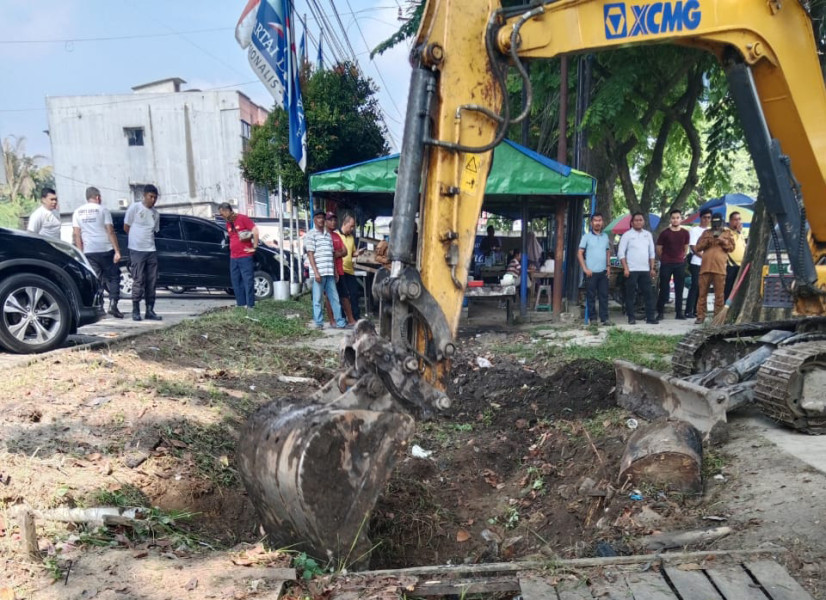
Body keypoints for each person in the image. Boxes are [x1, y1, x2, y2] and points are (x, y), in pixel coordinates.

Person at [72, 186, 124, 319]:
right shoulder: (103, 210)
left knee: (96, 279)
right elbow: (110, 231)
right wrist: (117, 250)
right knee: (114, 277)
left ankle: (99, 306)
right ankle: (113, 305)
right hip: (105, 249)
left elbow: (77, 235)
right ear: (98, 197)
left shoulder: (77, 212)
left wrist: (81, 253)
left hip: (89, 251)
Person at [124, 185, 162, 321]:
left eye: (155, 197)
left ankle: (150, 310)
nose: (153, 200)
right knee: (138, 280)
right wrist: (135, 241)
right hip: (137, 250)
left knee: (151, 281)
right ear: (144, 196)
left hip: (151, 250)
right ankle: (136, 310)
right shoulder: (135, 208)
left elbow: (154, 231)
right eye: (151, 196)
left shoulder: (156, 214)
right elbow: (126, 227)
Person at [305, 209, 347, 330]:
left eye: (322, 218)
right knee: (317, 299)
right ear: (314, 220)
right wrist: (316, 272)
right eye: (318, 217)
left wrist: (335, 271)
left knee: (335, 299)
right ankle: (319, 323)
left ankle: (340, 322)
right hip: (319, 273)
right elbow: (310, 254)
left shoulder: (328, 235)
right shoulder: (310, 234)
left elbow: (332, 254)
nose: (321, 220)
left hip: (329, 272)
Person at [218, 202, 259, 310]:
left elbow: (255, 231)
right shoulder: (228, 223)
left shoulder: (242, 218)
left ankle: (250, 305)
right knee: (236, 281)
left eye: (222, 214)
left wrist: (254, 247)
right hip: (234, 257)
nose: (221, 216)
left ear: (227, 211)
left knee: (248, 280)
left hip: (245, 255)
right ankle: (241, 304)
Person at [694, 213, 735, 324]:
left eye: (718, 223)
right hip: (705, 268)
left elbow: (732, 248)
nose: (716, 226)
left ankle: (717, 317)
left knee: (719, 295)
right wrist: (707, 241)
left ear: (721, 222)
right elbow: (697, 247)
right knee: (702, 294)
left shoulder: (727, 233)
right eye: (714, 223)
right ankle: (700, 316)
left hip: (719, 268)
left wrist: (723, 241)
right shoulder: (706, 233)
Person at [617, 212, 657, 325]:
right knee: (630, 295)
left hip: (645, 270)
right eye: (636, 220)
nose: (639, 222)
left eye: (641, 220)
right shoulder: (627, 235)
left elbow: (652, 253)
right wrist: (625, 268)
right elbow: (621, 253)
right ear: (632, 222)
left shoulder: (648, 234)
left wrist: (652, 268)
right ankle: (631, 317)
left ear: (644, 222)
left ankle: (650, 318)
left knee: (648, 294)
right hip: (631, 270)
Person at [577, 212, 612, 325]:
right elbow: (579, 253)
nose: (597, 223)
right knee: (591, 296)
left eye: (599, 220)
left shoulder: (605, 237)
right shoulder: (586, 237)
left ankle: (604, 318)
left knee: (604, 296)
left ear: (602, 222)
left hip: (603, 272)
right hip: (590, 272)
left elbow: (607, 252)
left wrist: (608, 266)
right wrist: (585, 269)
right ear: (591, 223)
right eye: (595, 220)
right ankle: (593, 319)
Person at [655, 209, 690, 320]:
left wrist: (680, 257)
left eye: (677, 217)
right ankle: (660, 312)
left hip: (680, 264)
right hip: (666, 263)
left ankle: (679, 313)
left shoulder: (685, 233)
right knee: (664, 288)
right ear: (670, 219)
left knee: (679, 289)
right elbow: (659, 249)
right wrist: (665, 258)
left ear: (681, 219)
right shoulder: (665, 233)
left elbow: (686, 248)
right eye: (673, 218)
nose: (675, 220)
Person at [324, 212, 350, 326]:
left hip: (340, 270)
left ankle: (350, 319)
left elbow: (345, 251)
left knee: (344, 295)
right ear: (325, 222)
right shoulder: (325, 236)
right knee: (330, 297)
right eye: (330, 220)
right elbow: (330, 254)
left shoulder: (336, 236)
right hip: (330, 271)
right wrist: (337, 254)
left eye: (334, 220)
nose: (333, 222)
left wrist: (337, 253)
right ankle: (332, 320)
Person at [685, 208, 712, 318]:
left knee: (704, 287)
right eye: (704, 217)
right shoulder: (694, 230)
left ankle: (698, 310)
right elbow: (693, 247)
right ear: (700, 218)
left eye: (709, 217)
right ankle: (688, 310)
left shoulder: (712, 231)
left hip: (709, 263)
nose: (706, 220)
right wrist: (704, 257)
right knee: (695, 285)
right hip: (697, 262)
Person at [338, 214, 362, 324]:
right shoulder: (336, 235)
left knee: (354, 293)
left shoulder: (351, 238)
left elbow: (352, 253)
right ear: (345, 223)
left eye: (353, 227)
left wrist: (358, 253)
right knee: (343, 295)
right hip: (340, 270)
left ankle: (356, 317)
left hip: (350, 270)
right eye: (351, 226)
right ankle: (343, 317)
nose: (352, 229)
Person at [724, 211, 746, 299]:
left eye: (739, 219)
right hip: (731, 265)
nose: (738, 222)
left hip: (741, 265)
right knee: (729, 288)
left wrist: (739, 233)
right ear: (730, 221)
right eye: (735, 219)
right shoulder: (726, 232)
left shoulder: (740, 233)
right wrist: (738, 232)